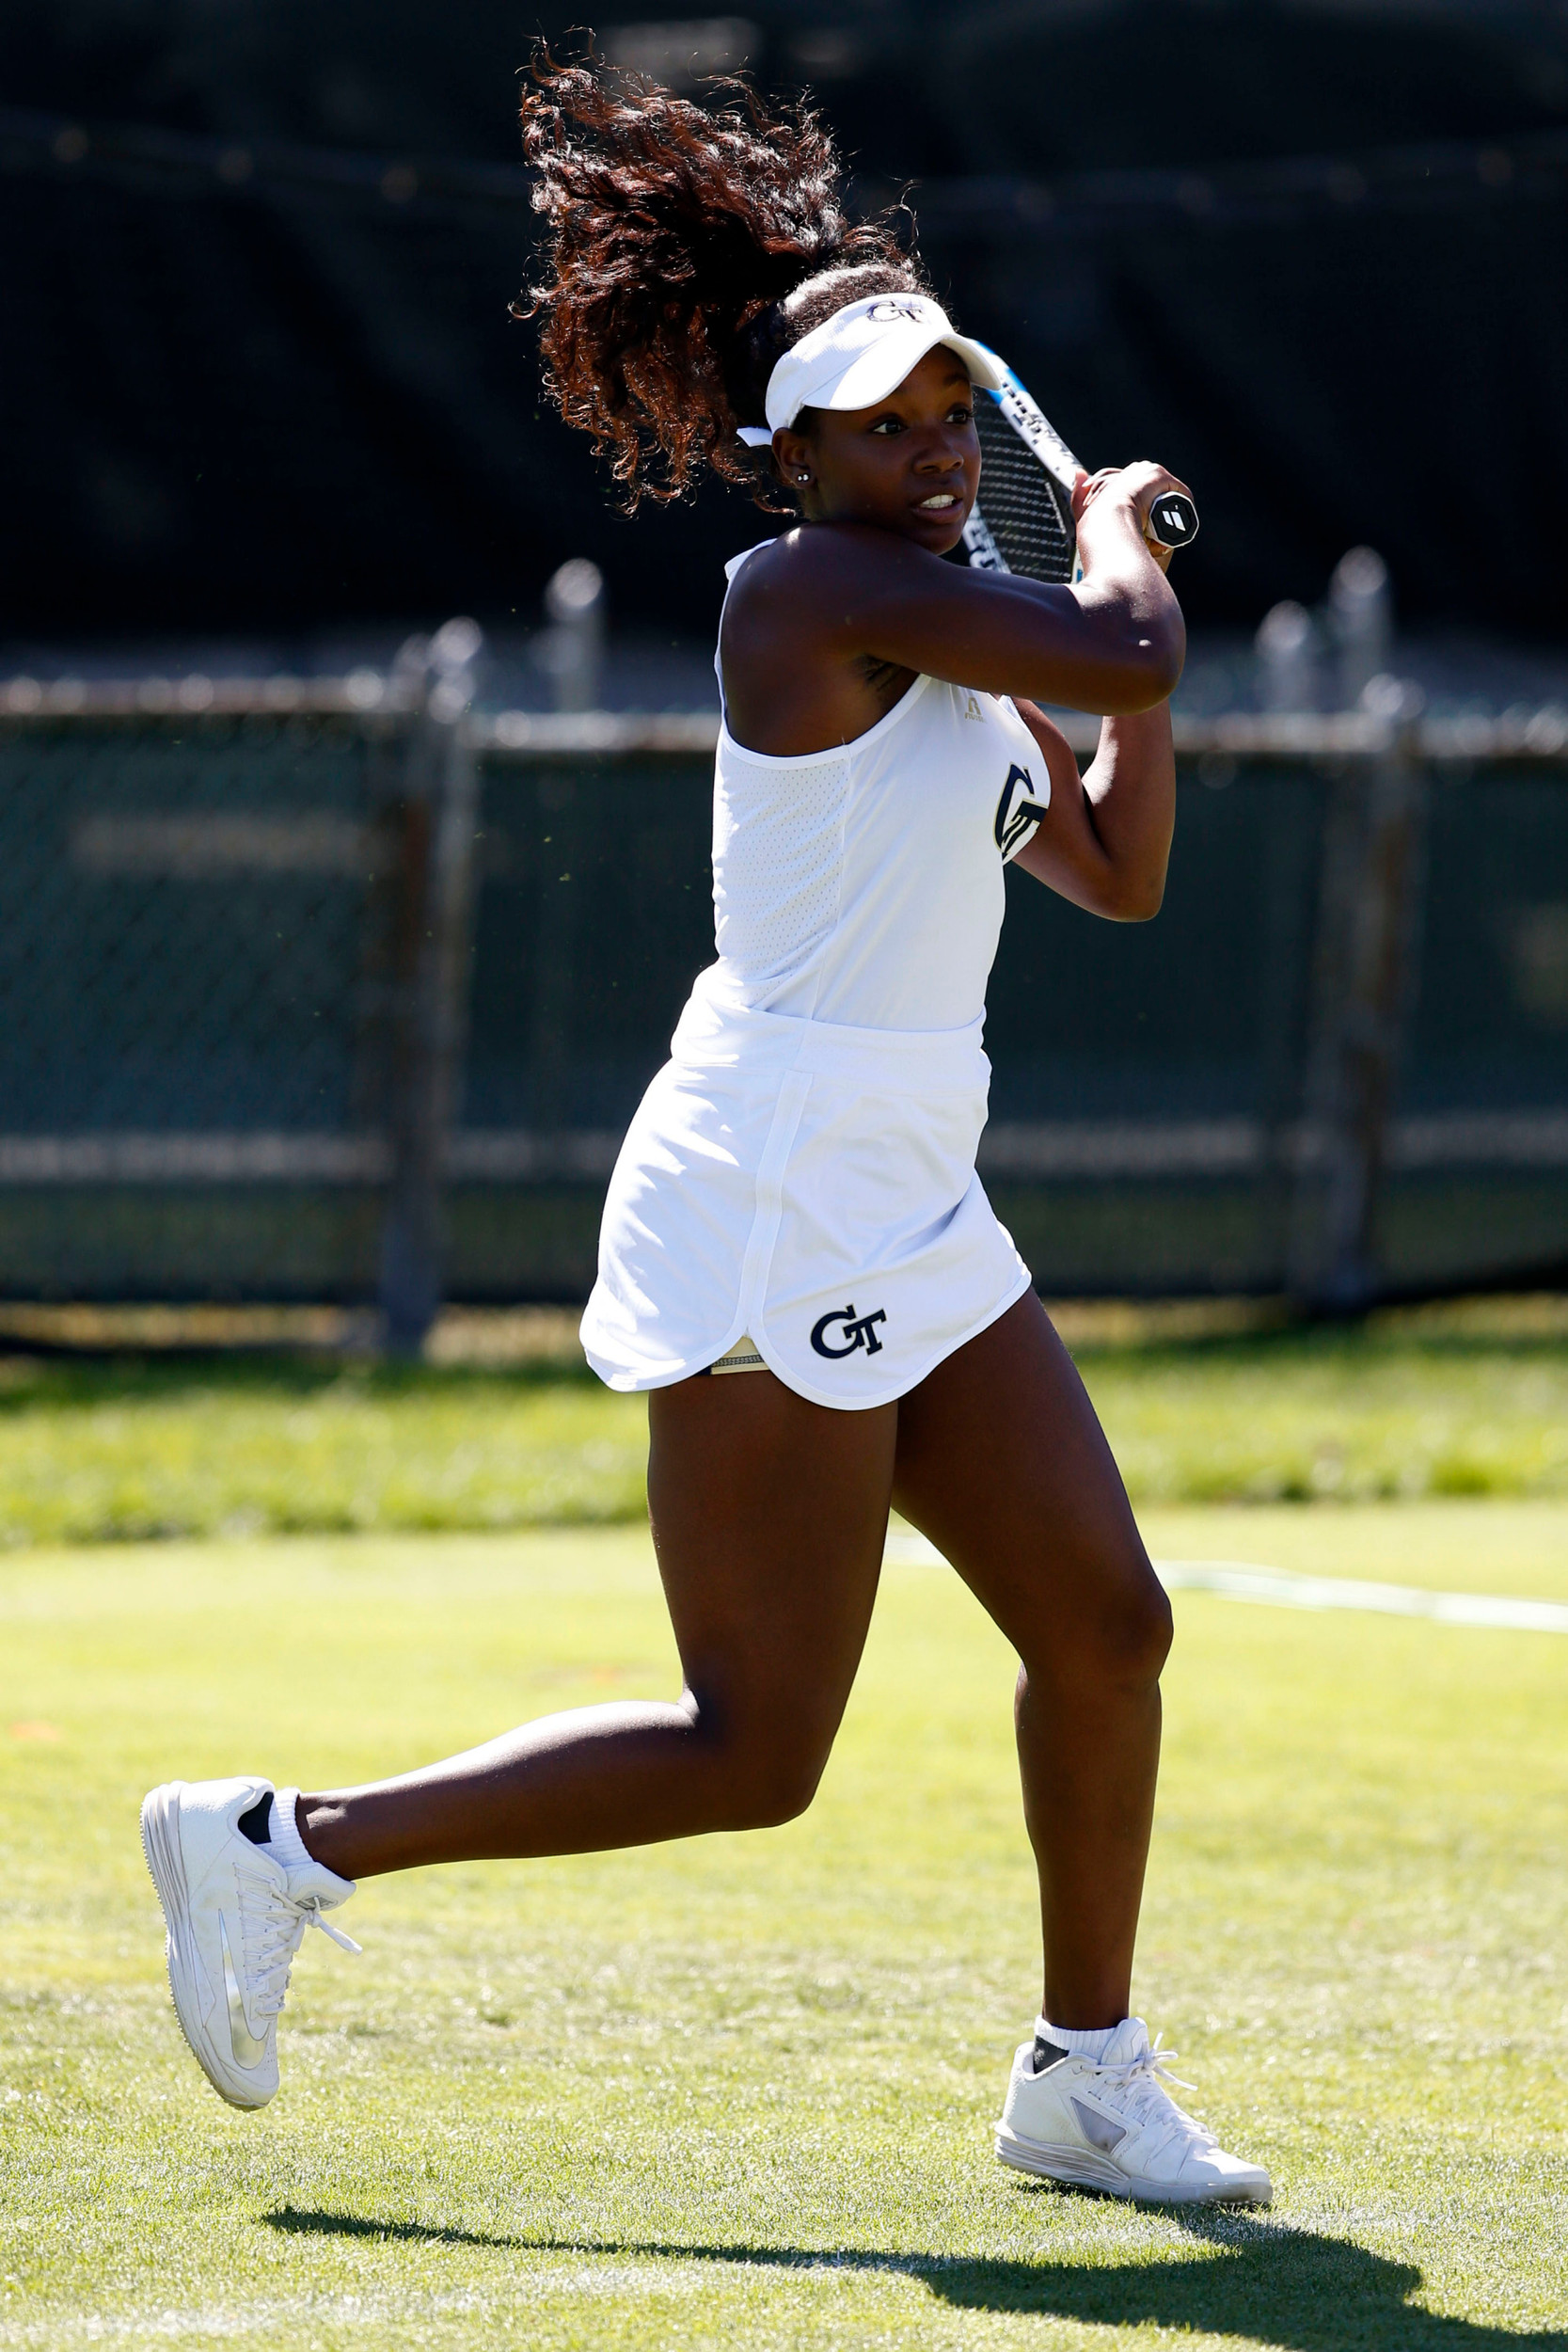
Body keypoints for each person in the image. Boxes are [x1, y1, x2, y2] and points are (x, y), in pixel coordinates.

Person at [140, 56, 1270, 2207]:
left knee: (1108, 1623)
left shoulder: (972, 636)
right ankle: (281, 1844)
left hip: (913, 1177)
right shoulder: (805, 599)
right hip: (774, 1181)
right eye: (887, 422)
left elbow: (1120, 859)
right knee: (758, 1751)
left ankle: (1085, 2071)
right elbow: (1123, 647)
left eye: (955, 412)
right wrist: (1117, 550)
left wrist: (1125, 657)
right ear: (790, 457)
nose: (936, 448)